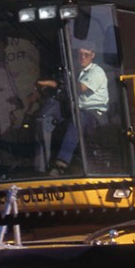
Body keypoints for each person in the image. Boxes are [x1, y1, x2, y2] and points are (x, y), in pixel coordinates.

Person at [45, 45, 110, 173]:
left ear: (93, 55)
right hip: (79, 111)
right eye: (80, 54)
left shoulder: (96, 72)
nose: (82, 57)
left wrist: (56, 83)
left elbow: (79, 88)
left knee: (77, 119)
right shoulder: (77, 72)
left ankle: (61, 164)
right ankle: (46, 163)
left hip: (95, 115)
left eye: (86, 54)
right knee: (53, 120)